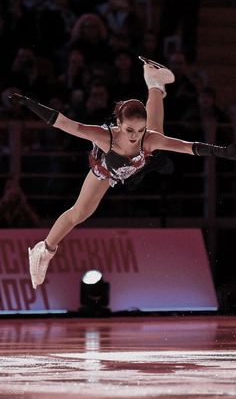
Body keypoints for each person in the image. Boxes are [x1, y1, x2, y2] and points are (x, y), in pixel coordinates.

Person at [9, 60, 236, 290]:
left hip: (139, 165)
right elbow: (64, 123)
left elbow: (188, 147)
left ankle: (154, 82)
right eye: (129, 130)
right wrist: (29, 103)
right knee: (78, 214)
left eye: (139, 130)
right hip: (106, 172)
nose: (134, 136)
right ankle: (44, 250)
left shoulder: (147, 138)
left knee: (157, 137)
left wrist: (223, 152)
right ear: (118, 123)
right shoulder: (105, 137)